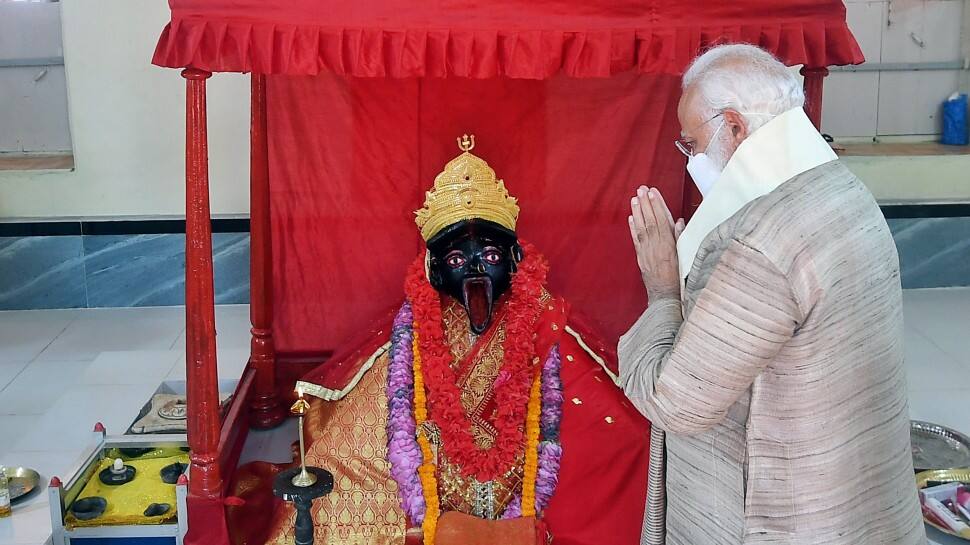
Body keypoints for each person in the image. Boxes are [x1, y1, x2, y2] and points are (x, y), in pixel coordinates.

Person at [257, 135, 651, 545]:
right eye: (458, 260)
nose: (476, 269)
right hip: (428, 469)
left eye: (493, 258)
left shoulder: (544, 317)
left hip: (530, 473)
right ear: (434, 271)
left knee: (626, 442)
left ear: (517, 261)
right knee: (340, 465)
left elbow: (611, 419)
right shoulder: (412, 331)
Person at [619, 44, 926, 545]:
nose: (692, 161)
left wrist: (662, 290)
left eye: (693, 143)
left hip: (784, 518)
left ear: (735, 127)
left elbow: (675, 401)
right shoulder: (841, 189)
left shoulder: (764, 240)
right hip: (853, 498)